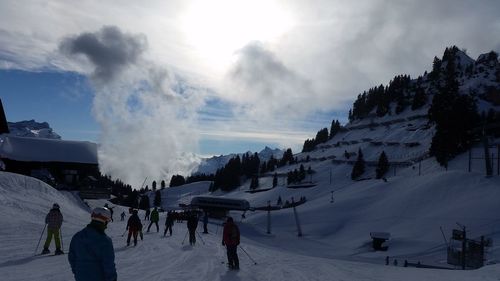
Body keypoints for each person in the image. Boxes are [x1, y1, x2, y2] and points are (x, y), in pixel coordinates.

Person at [68, 207, 117, 281]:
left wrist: (77, 272)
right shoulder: (105, 241)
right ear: (104, 222)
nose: (106, 227)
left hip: (80, 277)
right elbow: (109, 265)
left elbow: (72, 257)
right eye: (107, 222)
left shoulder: (77, 236)